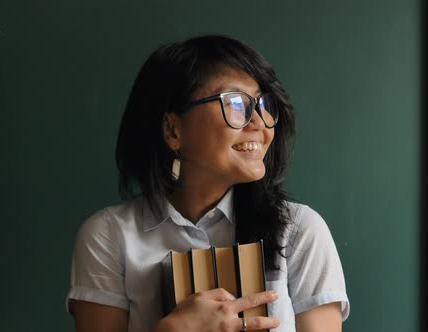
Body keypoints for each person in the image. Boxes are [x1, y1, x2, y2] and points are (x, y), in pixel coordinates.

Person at [66, 35, 349, 332]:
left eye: (263, 103)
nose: (260, 123)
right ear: (173, 129)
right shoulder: (109, 236)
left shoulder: (299, 230)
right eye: (236, 103)